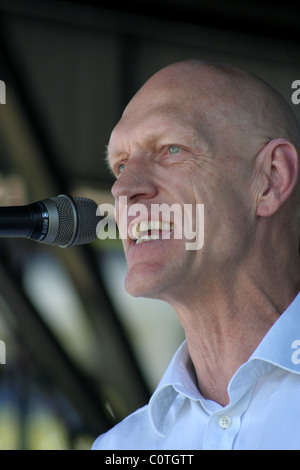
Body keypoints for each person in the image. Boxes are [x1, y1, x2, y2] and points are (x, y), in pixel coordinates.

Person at [92, 59, 300, 450]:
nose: (124, 189)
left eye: (171, 149)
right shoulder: (121, 448)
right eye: (120, 165)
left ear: (271, 179)